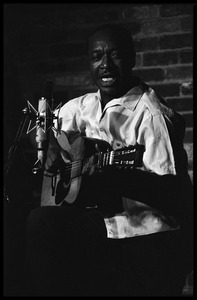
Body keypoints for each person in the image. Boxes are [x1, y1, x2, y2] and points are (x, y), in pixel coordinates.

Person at [24, 24, 193, 296]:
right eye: (97, 57)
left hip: (145, 234)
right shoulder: (82, 107)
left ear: (132, 59)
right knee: (38, 222)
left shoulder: (152, 115)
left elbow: (171, 191)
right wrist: (49, 144)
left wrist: (114, 177)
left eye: (115, 55)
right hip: (104, 225)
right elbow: (40, 121)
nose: (105, 64)